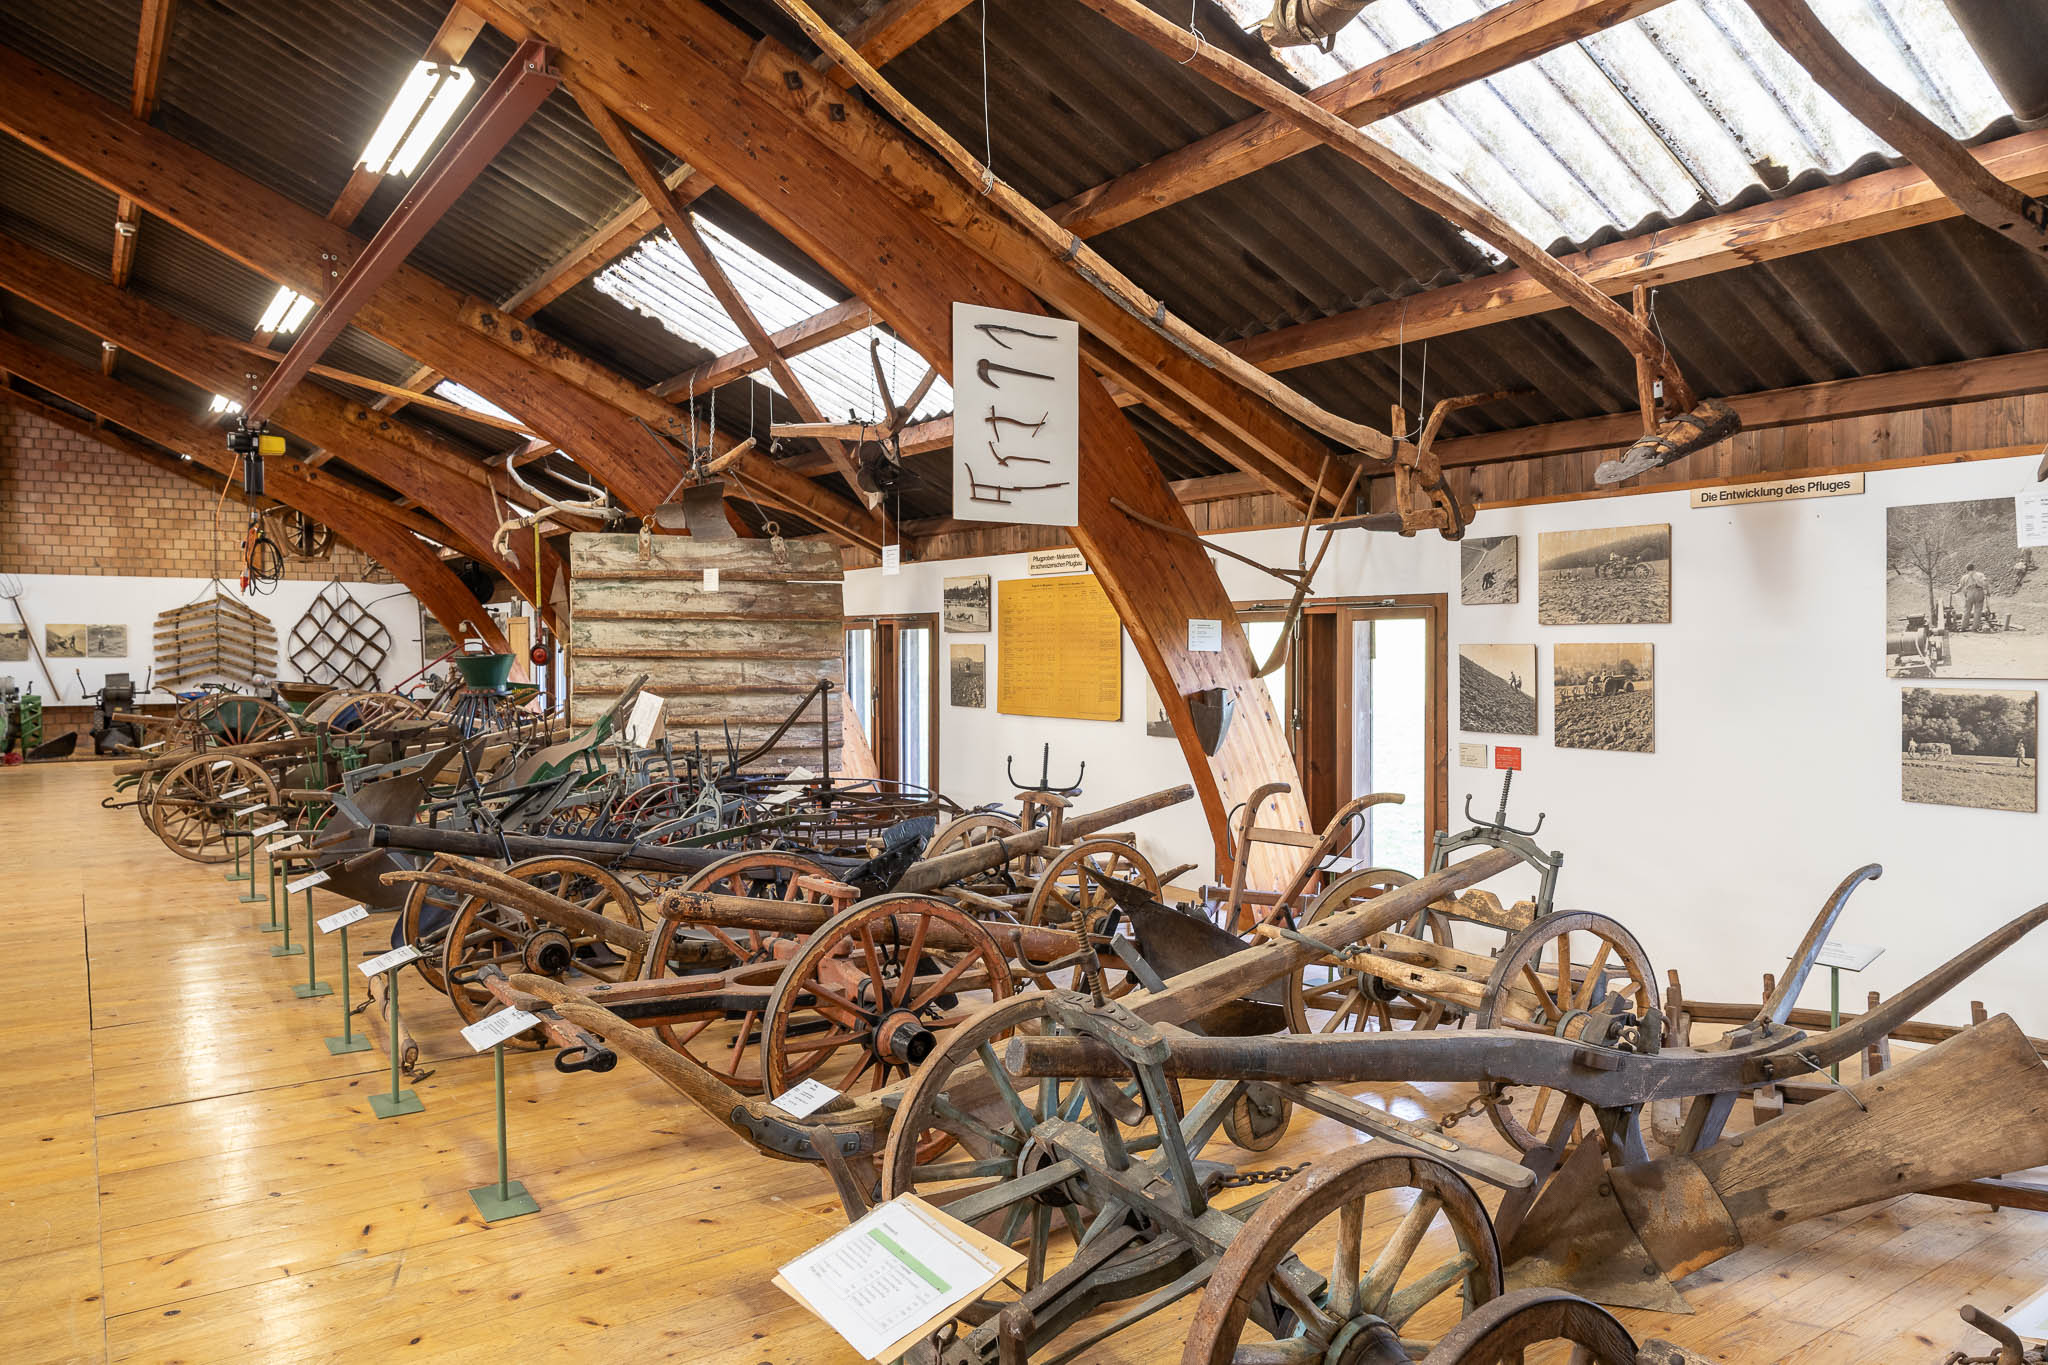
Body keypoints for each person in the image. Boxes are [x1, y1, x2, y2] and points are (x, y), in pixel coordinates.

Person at [1958, 562, 1990, 631]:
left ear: (1966, 569)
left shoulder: (1964, 577)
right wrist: (1988, 592)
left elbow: (1960, 587)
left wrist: (1953, 592)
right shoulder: (1980, 574)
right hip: (1979, 592)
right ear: (1974, 568)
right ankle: (1974, 628)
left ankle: (1963, 627)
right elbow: (1985, 583)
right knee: (1978, 610)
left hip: (1969, 593)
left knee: (1967, 610)